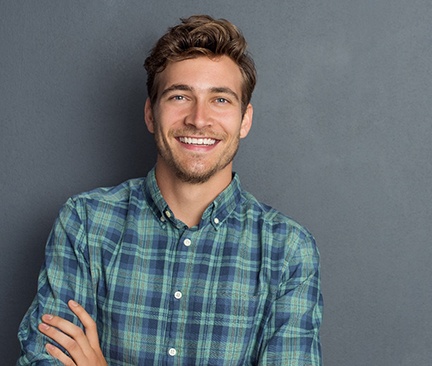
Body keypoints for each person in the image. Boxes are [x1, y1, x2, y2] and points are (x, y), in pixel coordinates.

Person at [17, 14, 323, 365]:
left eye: (220, 100)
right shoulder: (86, 223)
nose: (198, 118)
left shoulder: (287, 251)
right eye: (179, 96)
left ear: (245, 120)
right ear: (151, 114)